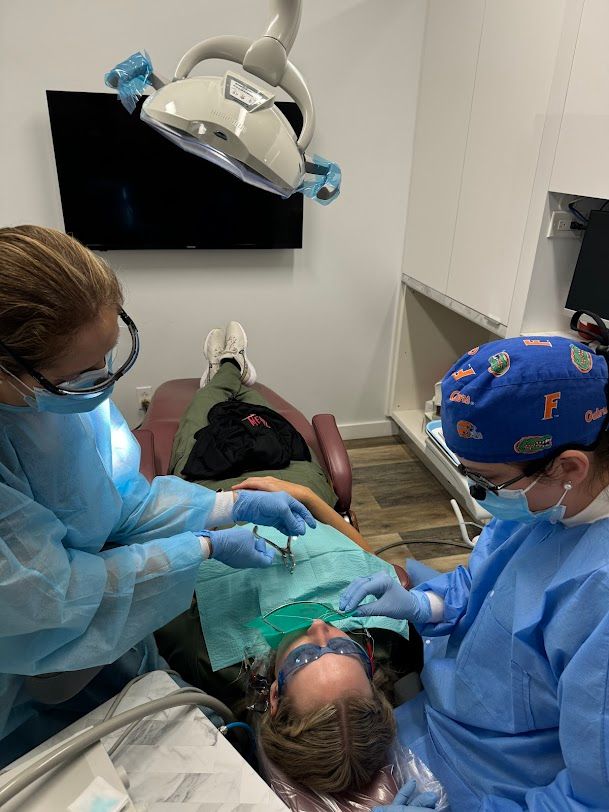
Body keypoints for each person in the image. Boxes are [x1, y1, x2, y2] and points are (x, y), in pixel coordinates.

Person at [0, 225, 316, 766]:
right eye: (81, 374)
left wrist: (229, 506)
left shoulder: (61, 402)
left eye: (110, 357)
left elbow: (121, 502)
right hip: (27, 677)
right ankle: (227, 371)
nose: (102, 383)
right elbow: (50, 599)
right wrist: (203, 549)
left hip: (112, 645)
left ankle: (228, 369)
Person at [154, 336, 429, 801]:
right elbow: (369, 559)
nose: (322, 627)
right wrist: (304, 497)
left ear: (275, 696)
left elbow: (160, 550)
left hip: (212, 485)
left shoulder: (204, 658)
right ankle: (237, 370)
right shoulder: (394, 641)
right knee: (265, 417)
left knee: (215, 413)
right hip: (298, 479)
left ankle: (223, 366)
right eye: (345, 651)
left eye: (304, 656)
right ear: (373, 678)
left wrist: (221, 517)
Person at [341, 333, 609, 810]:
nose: (477, 495)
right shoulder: (540, 507)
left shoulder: (598, 594)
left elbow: (593, 795)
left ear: (569, 466)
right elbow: (482, 583)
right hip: (443, 718)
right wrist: (427, 603)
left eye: (489, 480)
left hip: (499, 782)